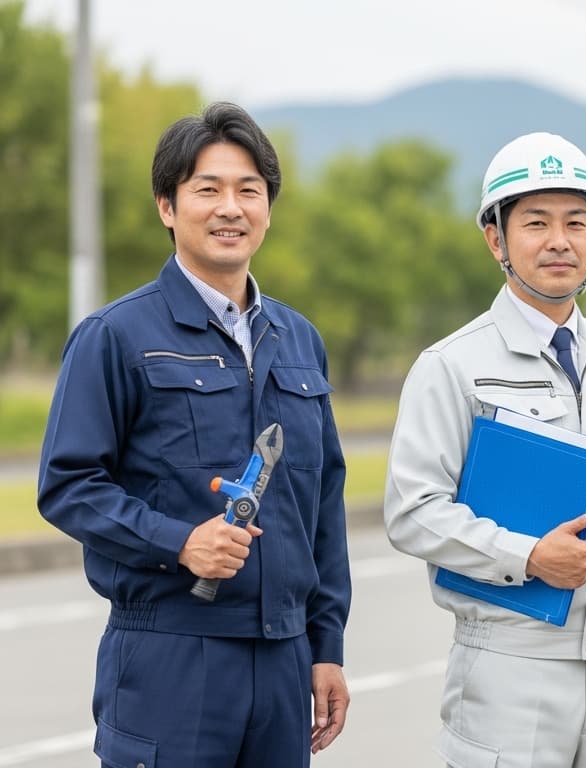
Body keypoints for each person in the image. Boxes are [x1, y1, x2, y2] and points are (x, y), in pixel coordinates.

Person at [37, 102, 351, 766]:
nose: (230, 207)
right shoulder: (116, 337)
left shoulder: (299, 341)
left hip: (285, 660)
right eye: (207, 189)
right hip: (170, 654)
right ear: (167, 207)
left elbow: (322, 500)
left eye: (249, 191)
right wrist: (179, 542)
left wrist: (326, 646)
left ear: (268, 208)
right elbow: (68, 486)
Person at [383, 131, 586, 767]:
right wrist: (526, 556)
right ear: (495, 239)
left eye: (575, 222)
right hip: (509, 668)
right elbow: (413, 511)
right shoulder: (452, 366)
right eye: (536, 222)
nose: (560, 240)